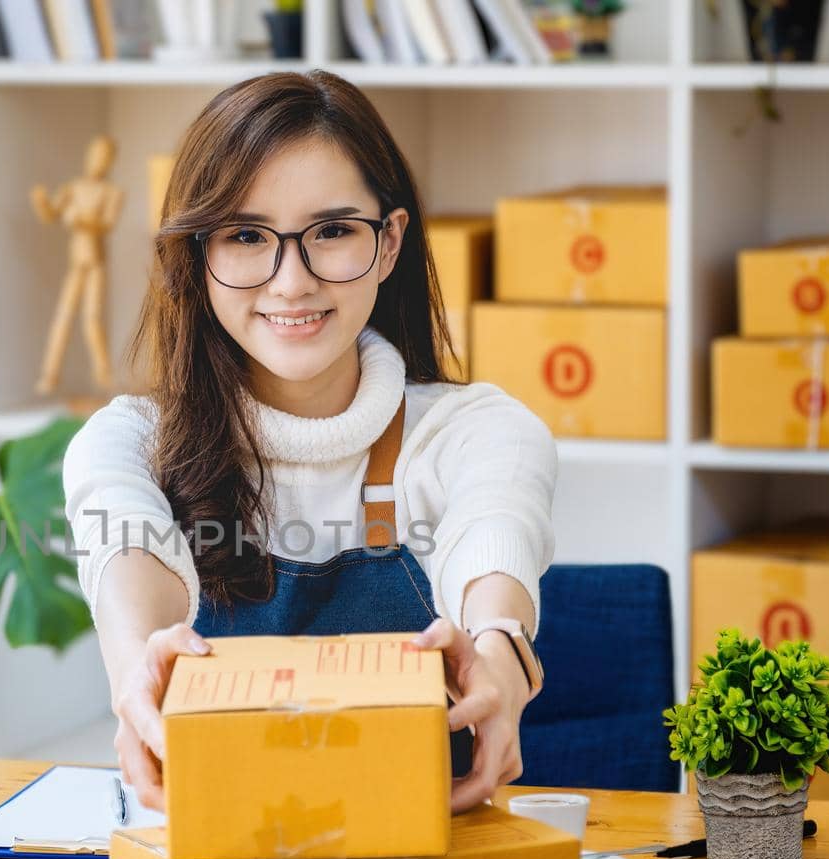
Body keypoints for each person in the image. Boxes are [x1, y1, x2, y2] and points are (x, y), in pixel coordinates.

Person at [62, 70, 556, 815]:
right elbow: (133, 569)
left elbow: (496, 546)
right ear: (197, 256)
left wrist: (498, 661)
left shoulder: (477, 431)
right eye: (247, 236)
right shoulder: (129, 444)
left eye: (331, 231)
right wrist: (139, 668)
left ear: (388, 244)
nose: (291, 282)